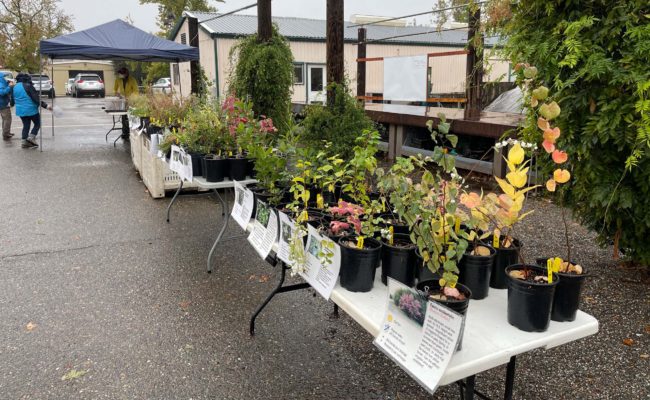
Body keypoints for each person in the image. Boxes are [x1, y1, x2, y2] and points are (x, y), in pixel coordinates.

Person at [13, 73, 51, 148]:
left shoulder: (14, 87)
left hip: (20, 111)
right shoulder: (28, 86)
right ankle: (31, 138)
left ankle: (24, 142)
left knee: (26, 126)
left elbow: (12, 100)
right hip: (31, 109)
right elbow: (36, 98)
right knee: (37, 124)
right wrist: (46, 106)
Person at [114, 67, 138, 139]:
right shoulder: (118, 80)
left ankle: (131, 132)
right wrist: (116, 93)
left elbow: (136, 91)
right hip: (122, 100)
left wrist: (132, 98)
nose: (120, 75)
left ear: (126, 74)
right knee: (124, 117)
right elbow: (114, 89)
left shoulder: (132, 80)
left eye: (121, 74)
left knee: (130, 116)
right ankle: (125, 132)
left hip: (131, 101)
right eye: (119, 73)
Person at [0, 71, 14, 140]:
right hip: (3, 104)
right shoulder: (1, 84)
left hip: (3, 103)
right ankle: (6, 134)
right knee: (7, 119)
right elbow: (2, 93)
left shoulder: (3, 83)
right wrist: (9, 87)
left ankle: (6, 132)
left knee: (5, 119)